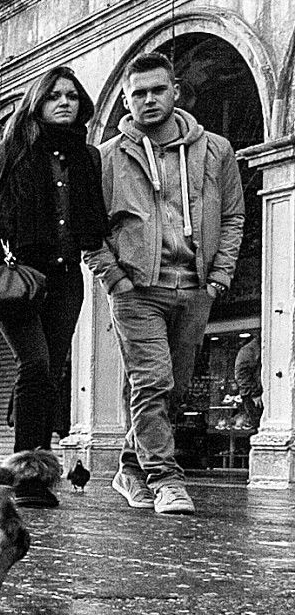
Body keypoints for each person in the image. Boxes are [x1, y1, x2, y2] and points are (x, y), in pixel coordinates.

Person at [99, 50, 247, 516]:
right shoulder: (107, 157)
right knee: (153, 381)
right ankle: (165, 479)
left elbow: (233, 216)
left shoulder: (216, 149)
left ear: (176, 91)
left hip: (195, 287)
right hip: (137, 290)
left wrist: (219, 277)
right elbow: (88, 229)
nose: (149, 100)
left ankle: (130, 467)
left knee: (173, 389)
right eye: (138, 93)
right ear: (126, 100)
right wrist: (115, 278)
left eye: (158, 90)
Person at [0, 65, 107, 460]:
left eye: (71, 96)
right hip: (19, 275)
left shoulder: (88, 157)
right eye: (54, 96)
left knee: (52, 371)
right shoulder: (12, 150)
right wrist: (6, 225)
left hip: (66, 277)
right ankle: (24, 464)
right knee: (35, 365)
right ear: (37, 103)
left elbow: (94, 220)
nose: (64, 103)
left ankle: (40, 460)